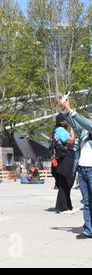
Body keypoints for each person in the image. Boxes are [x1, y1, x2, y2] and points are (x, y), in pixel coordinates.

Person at [60, 100, 92, 238]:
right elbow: (74, 124)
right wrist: (65, 111)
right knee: (86, 201)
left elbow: (86, 123)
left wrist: (71, 109)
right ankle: (88, 229)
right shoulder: (85, 131)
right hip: (82, 169)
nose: (91, 116)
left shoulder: (90, 126)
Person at [51, 114, 77, 214]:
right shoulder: (60, 130)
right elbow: (70, 141)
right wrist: (73, 131)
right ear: (61, 121)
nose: (67, 121)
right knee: (66, 181)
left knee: (66, 182)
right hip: (66, 157)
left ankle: (67, 206)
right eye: (66, 120)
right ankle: (63, 207)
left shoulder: (59, 130)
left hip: (65, 157)